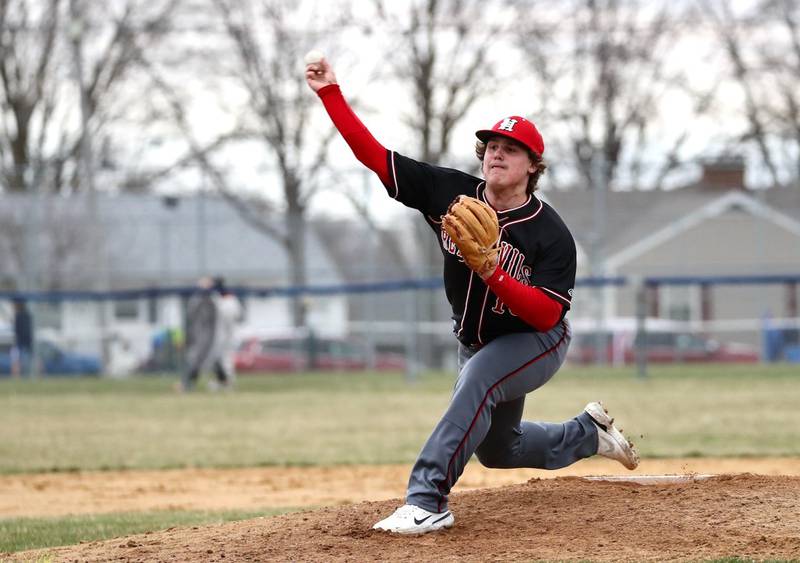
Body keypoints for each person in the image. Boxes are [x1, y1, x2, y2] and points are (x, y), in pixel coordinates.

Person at [305, 56, 640, 535]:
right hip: (476, 340)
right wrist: (330, 93)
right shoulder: (451, 193)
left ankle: (427, 499)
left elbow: (547, 314)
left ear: (533, 166)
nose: (496, 154)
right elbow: (374, 156)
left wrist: (492, 271)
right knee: (501, 450)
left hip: (536, 339)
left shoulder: (550, 234)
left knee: (477, 382)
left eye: (511, 148)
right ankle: (588, 434)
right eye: (491, 145)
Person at [179, 276, 218, 392]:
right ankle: (187, 384)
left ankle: (216, 382)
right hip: (197, 337)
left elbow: (213, 321)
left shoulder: (212, 301)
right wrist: (187, 337)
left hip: (209, 337)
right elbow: (189, 320)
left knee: (207, 360)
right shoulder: (196, 300)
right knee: (194, 360)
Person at [207, 277, 242, 391]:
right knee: (219, 359)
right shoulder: (228, 300)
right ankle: (223, 382)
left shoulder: (226, 300)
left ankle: (227, 382)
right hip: (224, 334)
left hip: (225, 334)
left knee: (225, 359)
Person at [11, 299, 33, 378]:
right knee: (20, 361)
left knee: (18, 362)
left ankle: (18, 376)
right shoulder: (27, 315)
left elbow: (18, 331)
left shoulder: (19, 316)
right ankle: (21, 376)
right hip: (26, 343)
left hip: (22, 343)